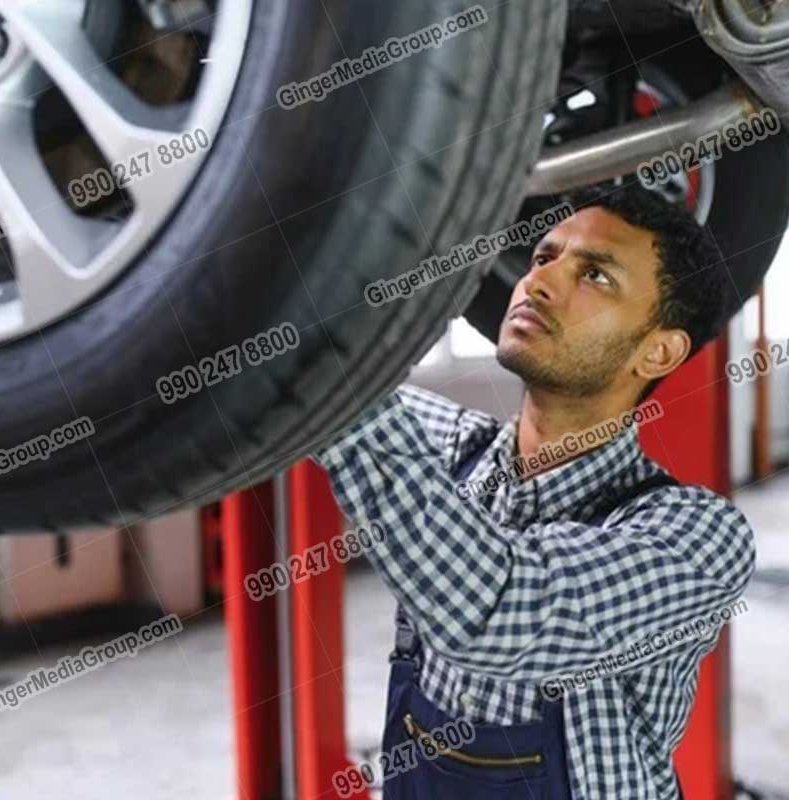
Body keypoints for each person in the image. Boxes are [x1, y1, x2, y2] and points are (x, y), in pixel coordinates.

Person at [311, 185, 756, 800]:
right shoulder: (456, 451)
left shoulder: (698, 539)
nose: (538, 283)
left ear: (658, 350)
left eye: (595, 275)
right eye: (544, 256)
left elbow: (499, 610)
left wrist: (326, 374)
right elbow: (310, 384)